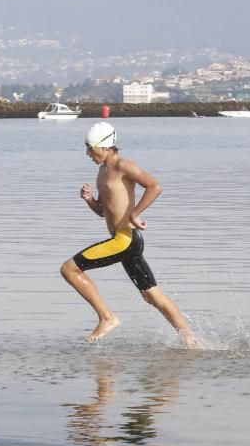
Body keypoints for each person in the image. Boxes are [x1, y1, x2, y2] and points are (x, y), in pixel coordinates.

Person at [61, 122, 198, 346]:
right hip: (125, 241)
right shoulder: (102, 171)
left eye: (90, 147)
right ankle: (189, 339)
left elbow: (154, 186)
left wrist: (135, 214)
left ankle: (107, 317)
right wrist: (89, 200)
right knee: (151, 295)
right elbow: (103, 212)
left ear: (105, 146)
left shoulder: (124, 166)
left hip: (125, 239)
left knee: (69, 269)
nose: (87, 152)